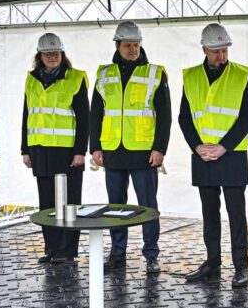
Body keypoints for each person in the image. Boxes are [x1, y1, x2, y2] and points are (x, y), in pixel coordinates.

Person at [89, 21, 172, 273]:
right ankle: (117, 254)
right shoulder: (103, 74)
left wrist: (160, 149)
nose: (133, 49)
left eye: (136, 45)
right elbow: (96, 114)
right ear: (117, 45)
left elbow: (165, 115)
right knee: (115, 207)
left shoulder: (155, 73)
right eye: (128, 45)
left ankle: (151, 255)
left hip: (144, 152)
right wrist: (96, 147)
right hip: (113, 149)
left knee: (148, 206)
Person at [179, 23, 248, 286]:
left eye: (224, 51)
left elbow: (247, 118)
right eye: (215, 51)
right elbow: (184, 118)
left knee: (237, 214)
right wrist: (197, 146)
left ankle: (241, 267)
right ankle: (212, 263)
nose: (221, 56)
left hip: (231, 155)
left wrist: (224, 146)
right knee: (209, 214)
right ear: (204, 49)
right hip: (202, 155)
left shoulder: (242, 75)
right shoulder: (190, 77)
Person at [22, 33, 90, 263]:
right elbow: (27, 114)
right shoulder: (31, 79)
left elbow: (84, 118)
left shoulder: (76, 78)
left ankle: (68, 251)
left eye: (56, 53)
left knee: (69, 203)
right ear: (39, 56)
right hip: (40, 149)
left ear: (63, 54)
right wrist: (25, 149)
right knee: (47, 203)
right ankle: (51, 249)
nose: (52, 57)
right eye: (48, 53)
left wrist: (81, 151)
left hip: (68, 152)